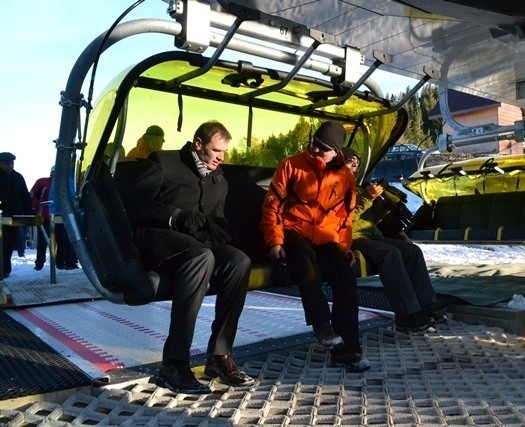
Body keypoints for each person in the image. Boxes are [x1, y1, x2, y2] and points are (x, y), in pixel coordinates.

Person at [115, 120, 254, 394]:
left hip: (197, 243)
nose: (220, 158)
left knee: (239, 261)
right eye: (216, 151)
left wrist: (217, 229)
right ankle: (174, 364)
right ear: (198, 144)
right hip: (157, 238)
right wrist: (176, 217)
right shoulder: (164, 162)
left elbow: (216, 218)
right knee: (201, 257)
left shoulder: (219, 180)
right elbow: (138, 204)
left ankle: (219, 355)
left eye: (224, 152)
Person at [260, 121, 370, 372]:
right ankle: (322, 325)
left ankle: (348, 349)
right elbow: (272, 207)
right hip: (294, 229)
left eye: (323, 148)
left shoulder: (344, 176)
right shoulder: (291, 165)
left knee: (345, 278)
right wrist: (275, 241)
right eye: (315, 144)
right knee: (304, 263)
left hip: (326, 235)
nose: (316, 151)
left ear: (336, 151)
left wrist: (344, 246)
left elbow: (345, 217)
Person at [343, 148, 446, 332]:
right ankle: (407, 315)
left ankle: (426, 305)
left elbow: (368, 217)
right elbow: (344, 217)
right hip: (350, 238)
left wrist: (386, 205)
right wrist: (367, 197)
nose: (354, 167)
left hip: (370, 234)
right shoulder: (336, 187)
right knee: (390, 254)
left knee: (412, 251)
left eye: (356, 164)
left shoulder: (357, 186)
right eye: (350, 162)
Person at [0, 152, 32, 278]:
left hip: (14, 216)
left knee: (8, 244)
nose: (10, 166)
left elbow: (25, 196)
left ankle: (5, 270)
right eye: (7, 164)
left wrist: (29, 213)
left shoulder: (18, 177)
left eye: (12, 163)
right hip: (3, 215)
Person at [48, 170, 79, 270]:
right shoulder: (64, 177)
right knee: (65, 238)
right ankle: (68, 262)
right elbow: (58, 196)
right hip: (61, 212)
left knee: (66, 238)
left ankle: (64, 262)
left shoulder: (71, 176)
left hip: (67, 211)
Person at [30, 166, 54, 271]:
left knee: (62, 241)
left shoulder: (65, 184)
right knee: (42, 242)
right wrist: (36, 206)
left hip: (60, 216)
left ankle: (62, 262)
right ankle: (39, 263)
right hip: (44, 217)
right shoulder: (42, 182)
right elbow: (32, 195)